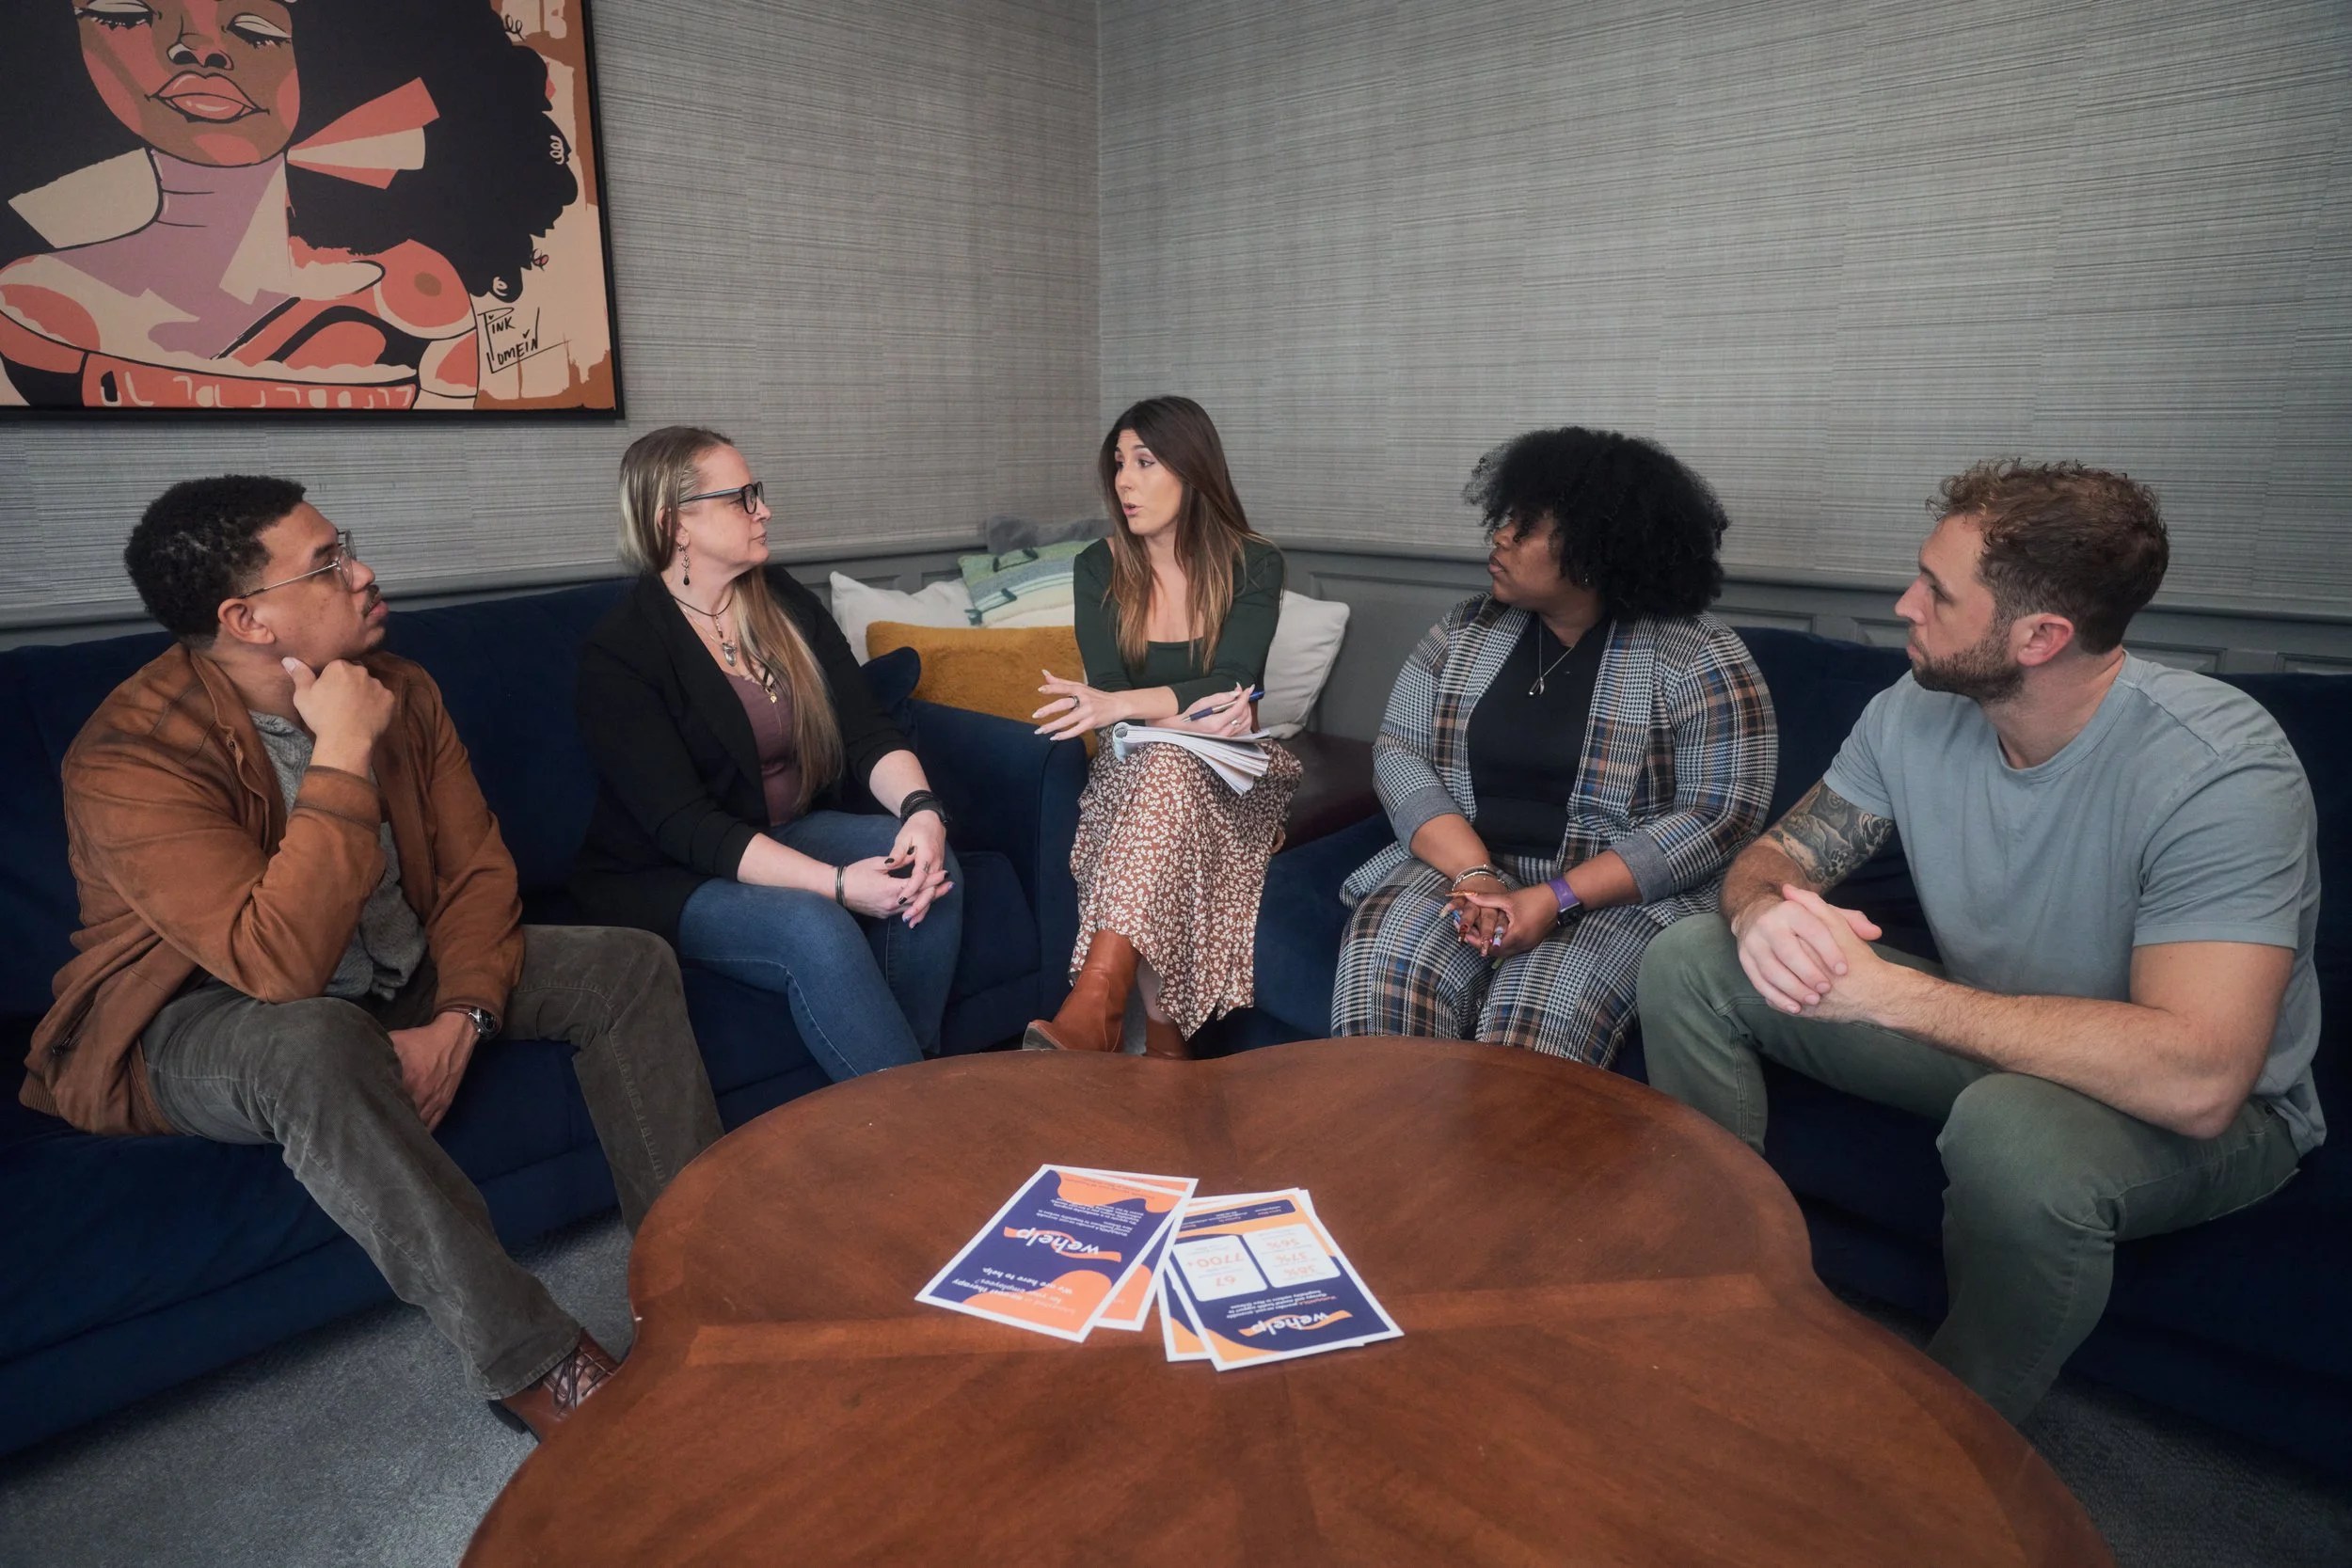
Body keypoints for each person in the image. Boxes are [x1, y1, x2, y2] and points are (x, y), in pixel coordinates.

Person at [24, 476, 722, 1438]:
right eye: (327, 564)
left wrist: (462, 1015)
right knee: (314, 1041)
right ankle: (535, 1363)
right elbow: (276, 968)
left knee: (627, 965)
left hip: (396, 966)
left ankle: (704, 1287)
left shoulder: (404, 683)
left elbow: (477, 873)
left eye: (345, 546)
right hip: (202, 1016)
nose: (363, 573)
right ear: (247, 619)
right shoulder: (129, 755)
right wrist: (343, 749)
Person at [1637, 459, 2322, 1424]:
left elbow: (2201, 1078)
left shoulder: (2219, 770)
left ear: (2040, 637)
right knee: (1690, 959)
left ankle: (1944, 1439)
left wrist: (1886, 994)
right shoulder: (1913, 707)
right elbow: (1776, 857)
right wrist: (1762, 912)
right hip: (1990, 1033)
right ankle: (1715, 1288)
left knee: (2013, 1131)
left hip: (2208, 1109)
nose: (1903, 603)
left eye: (1937, 590)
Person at [1329, 427, 1776, 1064]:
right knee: (1385, 961)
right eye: (1505, 516)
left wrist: (1556, 897)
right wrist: (1475, 872)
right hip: (1465, 867)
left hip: (1614, 893)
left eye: (1527, 526)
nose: (1500, 536)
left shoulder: (1700, 656)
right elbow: (1401, 751)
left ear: (1595, 551)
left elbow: (1721, 814)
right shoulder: (1463, 630)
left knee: (1539, 1014)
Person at [572, 426, 961, 1079]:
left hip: (780, 829)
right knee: (815, 925)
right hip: (668, 873)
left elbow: (865, 728)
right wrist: (838, 886)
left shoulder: (778, 598)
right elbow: (689, 826)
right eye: (740, 499)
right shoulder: (621, 651)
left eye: (757, 493)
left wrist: (923, 811)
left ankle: (903, 1084)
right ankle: (915, 1110)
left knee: (928, 869)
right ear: (675, 524)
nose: (764, 510)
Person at [0, 0, 577, 409]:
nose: (198, 49)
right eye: (125, 13)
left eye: (255, 28)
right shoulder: (40, 299)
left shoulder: (415, 295)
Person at [1024, 395, 1298, 1057]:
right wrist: (1162, 709)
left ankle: (1101, 1006)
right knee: (1162, 772)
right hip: (1134, 767)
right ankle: (1163, 1044)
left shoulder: (1255, 562)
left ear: (1192, 469)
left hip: (1236, 772)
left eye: (1145, 462)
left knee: (1164, 777)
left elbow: (1229, 681)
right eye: (1119, 463)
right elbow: (1119, 697)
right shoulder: (1098, 566)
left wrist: (1124, 705)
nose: (1125, 481)